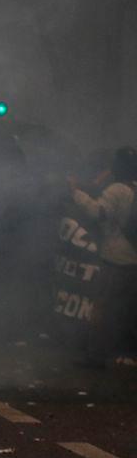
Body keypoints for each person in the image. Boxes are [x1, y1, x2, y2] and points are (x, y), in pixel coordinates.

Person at [69, 146, 137, 367]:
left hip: (117, 259)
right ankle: (128, 353)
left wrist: (76, 193)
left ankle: (96, 356)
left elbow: (98, 212)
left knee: (103, 309)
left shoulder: (117, 190)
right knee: (129, 310)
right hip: (134, 260)